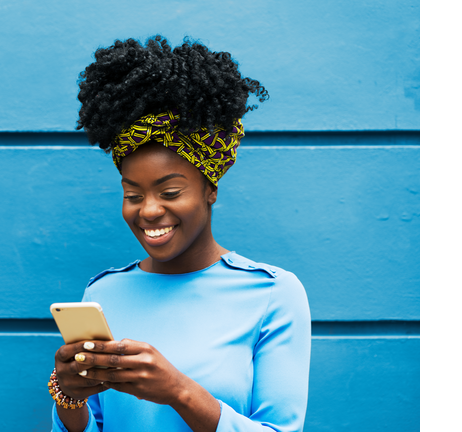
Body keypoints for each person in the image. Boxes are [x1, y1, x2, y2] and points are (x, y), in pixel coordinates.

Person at [49, 36, 311, 432]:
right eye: (132, 195)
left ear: (210, 190)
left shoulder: (273, 294)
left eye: (170, 192)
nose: (149, 210)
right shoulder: (102, 295)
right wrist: (69, 397)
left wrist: (179, 391)